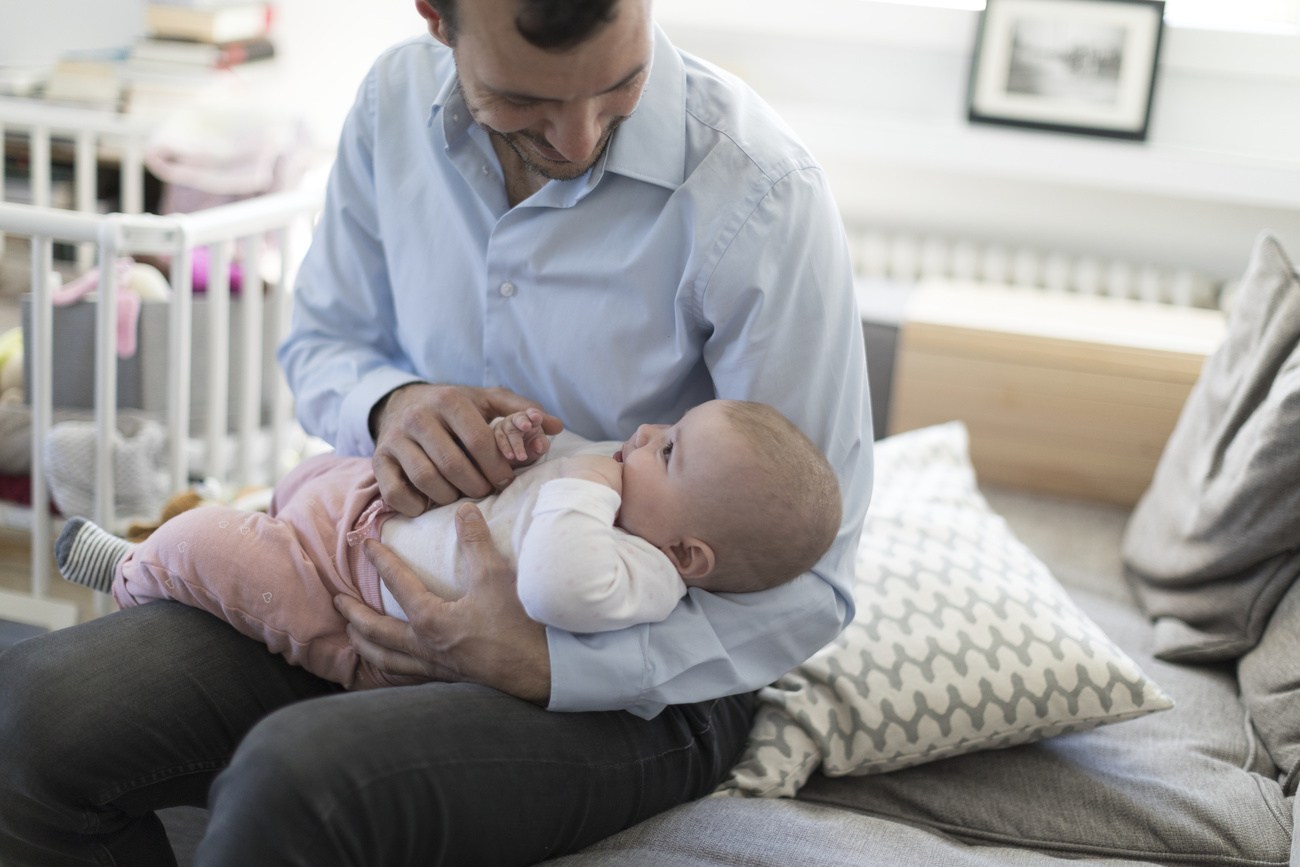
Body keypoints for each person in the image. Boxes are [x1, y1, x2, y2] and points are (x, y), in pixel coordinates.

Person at [0, 0, 873, 864]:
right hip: (372, 576)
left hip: (642, 665)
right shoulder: (392, 104)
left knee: (301, 778)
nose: (577, 139)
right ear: (437, 18)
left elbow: (814, 580)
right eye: (524, 100)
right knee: (28, 713)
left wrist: (550, 664)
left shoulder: (762, 196)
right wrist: (391, 402)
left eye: (622, 85)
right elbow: (322, 342)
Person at [54, 400, 843, 690]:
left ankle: (133, 566)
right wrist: (516, 444)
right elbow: (521, 497)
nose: (645, 431)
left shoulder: (643, 569)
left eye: (669, 449)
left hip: (353, 600)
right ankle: (238, 515)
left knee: (215, 548)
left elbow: (553, 581)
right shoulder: (622, 489)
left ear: (690, 553)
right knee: (308, 473)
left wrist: (586, 479)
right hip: (374, 519)